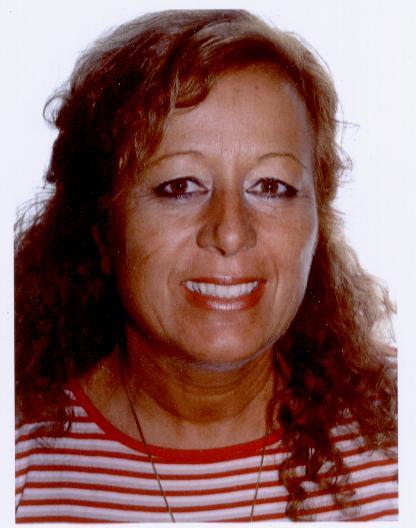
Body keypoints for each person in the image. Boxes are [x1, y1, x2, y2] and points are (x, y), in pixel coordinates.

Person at [15, 9, 398, 523]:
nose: (230, 233)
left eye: (271, 187)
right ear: (102, 228)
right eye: (179, 186)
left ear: (318, 224)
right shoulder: (21, 459)